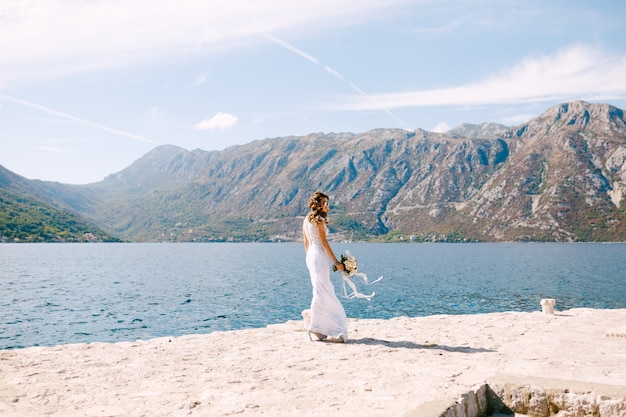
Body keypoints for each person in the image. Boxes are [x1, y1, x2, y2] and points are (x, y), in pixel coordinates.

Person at [302, 191, 348, 343]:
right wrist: (336, 261)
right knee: (326, 290)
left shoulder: (306, 220)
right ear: (318, 205)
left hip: (311, 256)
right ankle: (327, 327)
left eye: (328, 203)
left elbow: (306, 243)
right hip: (319, 255)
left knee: (320, 290)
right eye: (324, 203)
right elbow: (324, 242)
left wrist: (309, 258)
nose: (327, 206)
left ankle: (318, 328)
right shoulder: (319, 220)